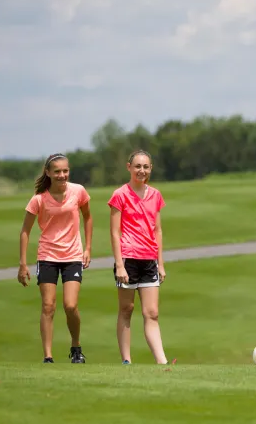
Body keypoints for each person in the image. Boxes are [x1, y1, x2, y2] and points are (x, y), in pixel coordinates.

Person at [18, 152, 93, 364]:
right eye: (57, 171)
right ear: (48, 173)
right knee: (48, 306)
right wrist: (23, 264)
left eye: (65, 171)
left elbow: (87, 217)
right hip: (47, 255)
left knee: (70, 305)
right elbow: (25, 230)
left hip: (72, 255)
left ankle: (76, 347)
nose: (62, 175)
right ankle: (48, 356)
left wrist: (87, 248)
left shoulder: (78, 191)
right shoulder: (38, 199)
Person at [108, 150, 171, 365]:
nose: (141, 170)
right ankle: (126, 360)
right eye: (137, 166)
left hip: (149, 259)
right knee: (127, 309)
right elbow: (115, 232)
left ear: (150, 169)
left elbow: (158, 230)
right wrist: (119, 265)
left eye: (145, 167)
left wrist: (160, 263)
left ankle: (161, 362)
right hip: (127, 258)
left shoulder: (155, 195)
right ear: (129, 167)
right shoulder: (120, 195)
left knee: (152, 312)